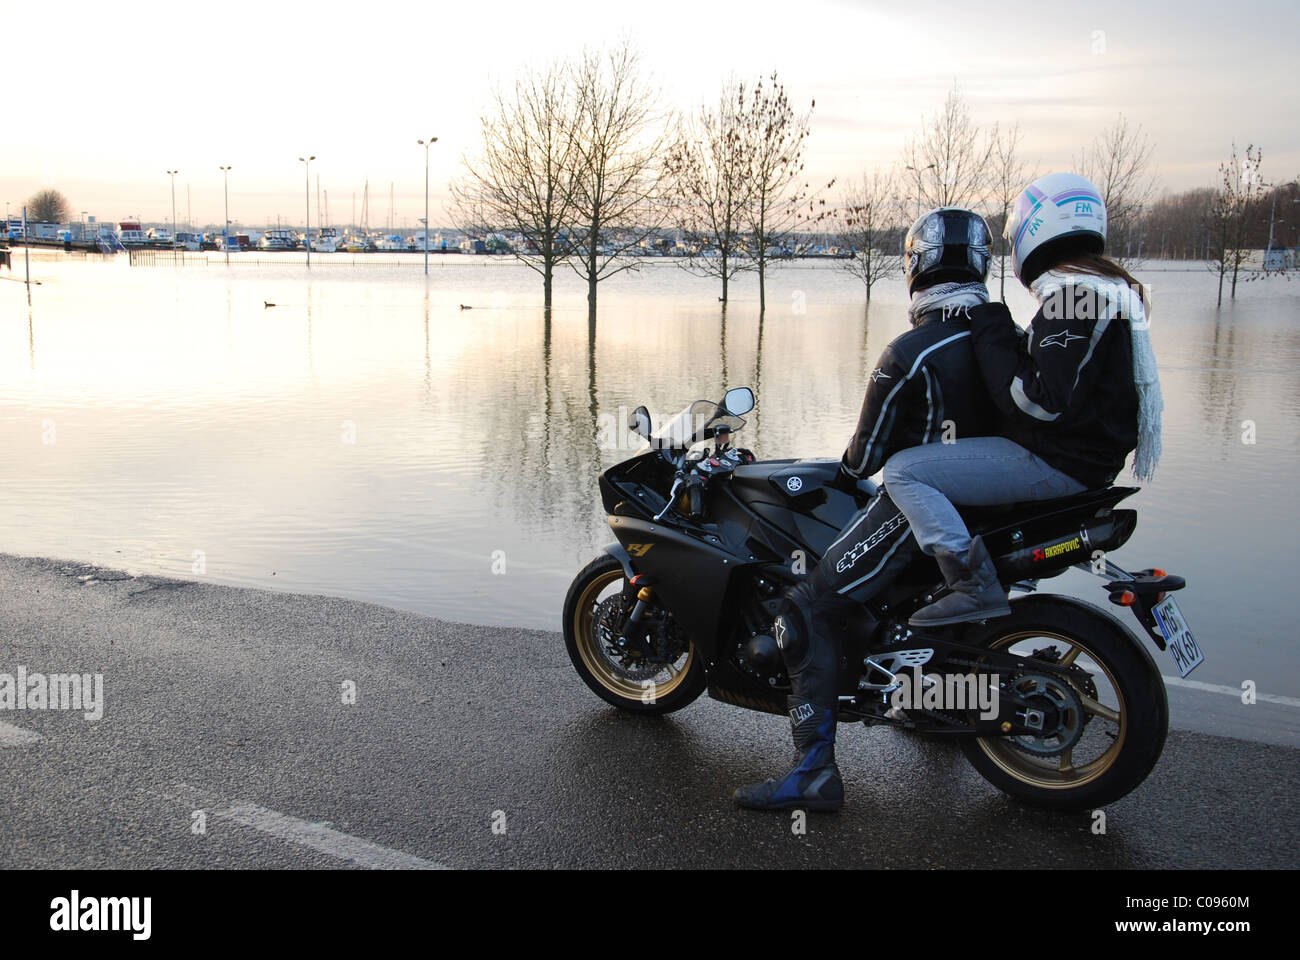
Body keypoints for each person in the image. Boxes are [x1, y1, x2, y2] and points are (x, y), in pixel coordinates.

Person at [734, 207, 999, 812]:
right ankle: (938, 708)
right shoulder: (1001, 339)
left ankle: (812, 773)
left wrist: (846, 468)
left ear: (918, 266)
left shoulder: (910, 351)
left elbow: (863, 458)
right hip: (992, 510)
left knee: (808, 607)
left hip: (919, 510)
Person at [882, 171, 1163, 628]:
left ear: (1035, 232)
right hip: (1084, 461)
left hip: (1058, 463)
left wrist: (991, 324)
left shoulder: (1075, 297)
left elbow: (1035, 400)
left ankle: (971, 586)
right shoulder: (1104, 291)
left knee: (904, 471)